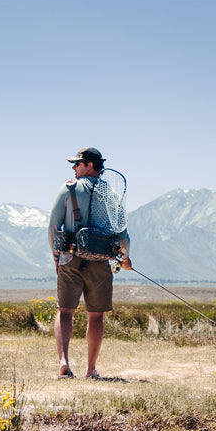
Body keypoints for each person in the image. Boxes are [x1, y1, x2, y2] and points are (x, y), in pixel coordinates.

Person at [48, 147, 132, 379]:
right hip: (100, 261)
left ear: (90, 165)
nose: (74, 168)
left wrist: (57, 258)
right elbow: (122, 234)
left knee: (65, 311)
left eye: (77, 164)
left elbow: (53, 228)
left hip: (70, 257)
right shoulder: (111, 195)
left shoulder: (68, 189)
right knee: (96, 315)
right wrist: (124, 259)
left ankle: (64, 362)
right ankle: (91, 369)